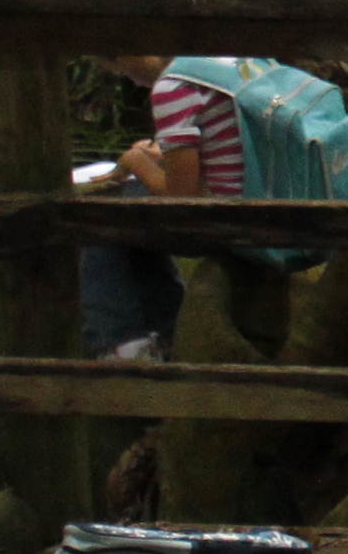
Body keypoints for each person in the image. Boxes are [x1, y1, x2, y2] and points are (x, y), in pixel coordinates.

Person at [82, 51, 255, 359]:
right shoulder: (225, 63)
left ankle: (120, 346)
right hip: (260, 198)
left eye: (118, 62)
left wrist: (136, 161)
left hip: (226, 217)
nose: (125, 76)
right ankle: (166, 331)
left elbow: (181, 200)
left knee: (101, 215)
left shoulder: (174, 87)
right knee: (134, 203)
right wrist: (161, 155)